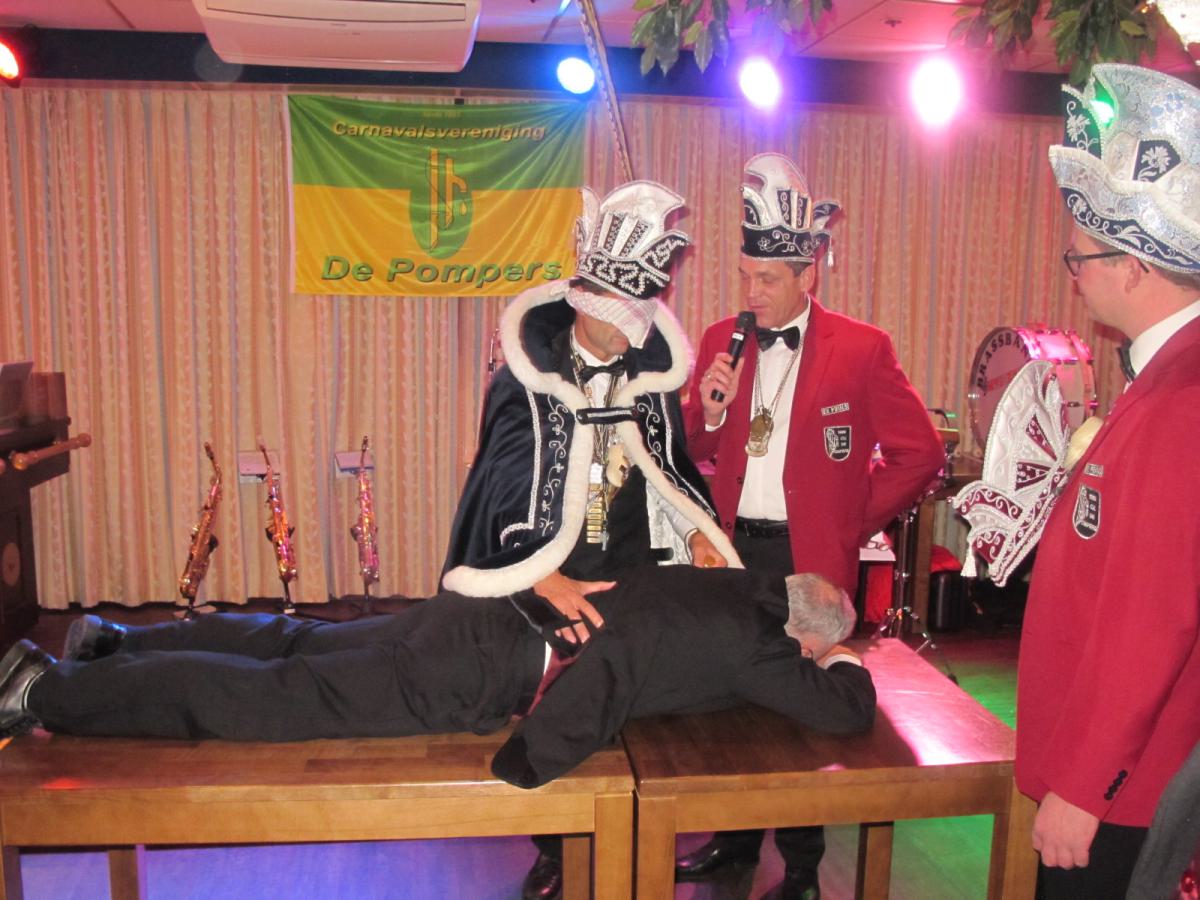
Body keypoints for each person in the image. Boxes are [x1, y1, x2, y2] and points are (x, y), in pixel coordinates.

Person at [441, 180, 737, 899]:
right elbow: (501, 485)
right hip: (553, 571)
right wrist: (538, 574)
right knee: (554, 710)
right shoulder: (526, 381)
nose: (632, 333)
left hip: (632, 568)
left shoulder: (650, 380)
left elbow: (667, 473)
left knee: (637, 701)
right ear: (583, 301)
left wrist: (696, 534)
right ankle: (555, 846)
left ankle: (633, 838)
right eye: (619, 318)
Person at [677, 153, 944, 899]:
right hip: (734, 552)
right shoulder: (720, 341)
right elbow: (688, 450)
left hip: (811, 555)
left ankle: (800, 868)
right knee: (728, 693)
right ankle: (732, 841)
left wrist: (849, 520)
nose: (752, 294)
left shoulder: (862, 348)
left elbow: (921, 454)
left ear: (807, 275)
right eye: (745, 277)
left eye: (767, 280)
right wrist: (710, 411)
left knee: (803, 704)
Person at [0, 566, 876, 793]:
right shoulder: (762, 645)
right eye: (808, 648)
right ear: (801, 638)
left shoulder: (732, 584)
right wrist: (845, 658)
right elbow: (840, 714)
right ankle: (45, 690)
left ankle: (114, 642)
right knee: (272, 700)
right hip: (477, 669)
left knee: (302, 642)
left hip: (478, 617)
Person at [1014, 64, 1200, 900]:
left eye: (1082, 256)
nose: (1074, 273)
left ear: (1135, 266)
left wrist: (1086, 786)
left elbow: (1151, 620)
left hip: (1124, 785)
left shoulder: (1183, 399)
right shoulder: (1166, 378)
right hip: (1120, 768)